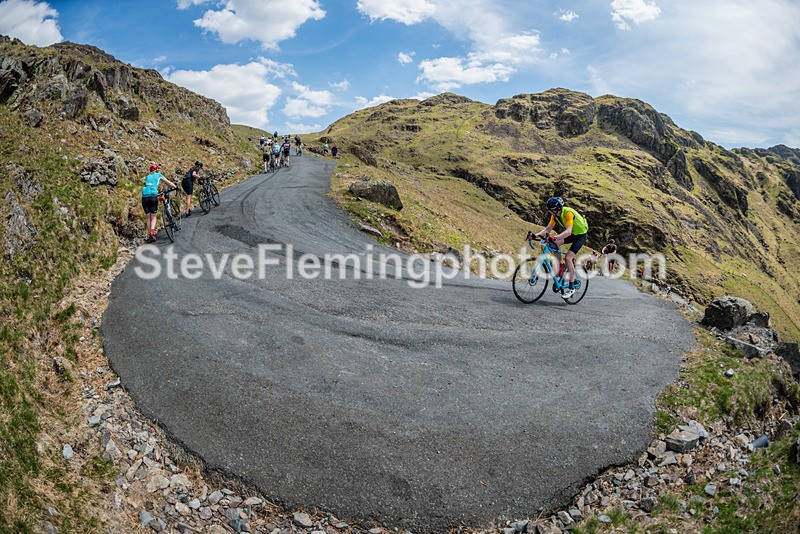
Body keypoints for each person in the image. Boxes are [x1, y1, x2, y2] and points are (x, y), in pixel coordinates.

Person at [533, 196, 589, 299]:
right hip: (572, 234)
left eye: (552, 210)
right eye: (550, 210)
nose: (550, 212)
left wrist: (554, 237)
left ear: (557, 208)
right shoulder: (554, 216)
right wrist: (534, 236)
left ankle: (571, 287)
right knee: (555, 244)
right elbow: (547, 229)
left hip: (580, 235)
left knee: (568, 257)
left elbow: (568, 232)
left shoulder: (568, 213)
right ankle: (558, 269)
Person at [142, 163, 176, 243]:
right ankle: (152, 233)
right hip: (153, 196)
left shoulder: (148, 176)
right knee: (153, 217)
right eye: (158, 168)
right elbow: (168, 182)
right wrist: (174, 186)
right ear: (156, 169)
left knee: (148, 217)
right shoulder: (158, 175)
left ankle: (149, 235)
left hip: (144, 197)